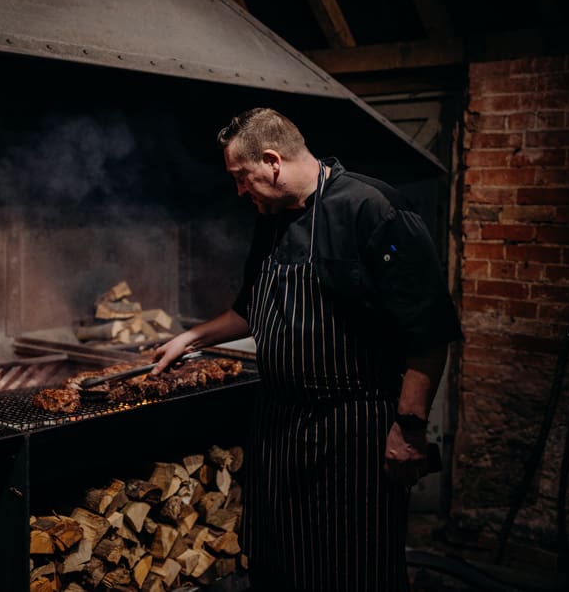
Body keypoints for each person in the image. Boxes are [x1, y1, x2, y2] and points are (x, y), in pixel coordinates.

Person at [151, 108, 462, 591]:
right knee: (279, 563)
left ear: (272, 161)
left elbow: (429, 329)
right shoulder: (272, 219)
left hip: (353, 429)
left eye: (241, 177)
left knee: (353, 569)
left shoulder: (373, 209)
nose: (239, 191)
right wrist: (191, 337)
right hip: (279, 425)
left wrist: (410, 426)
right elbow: (250, 309)